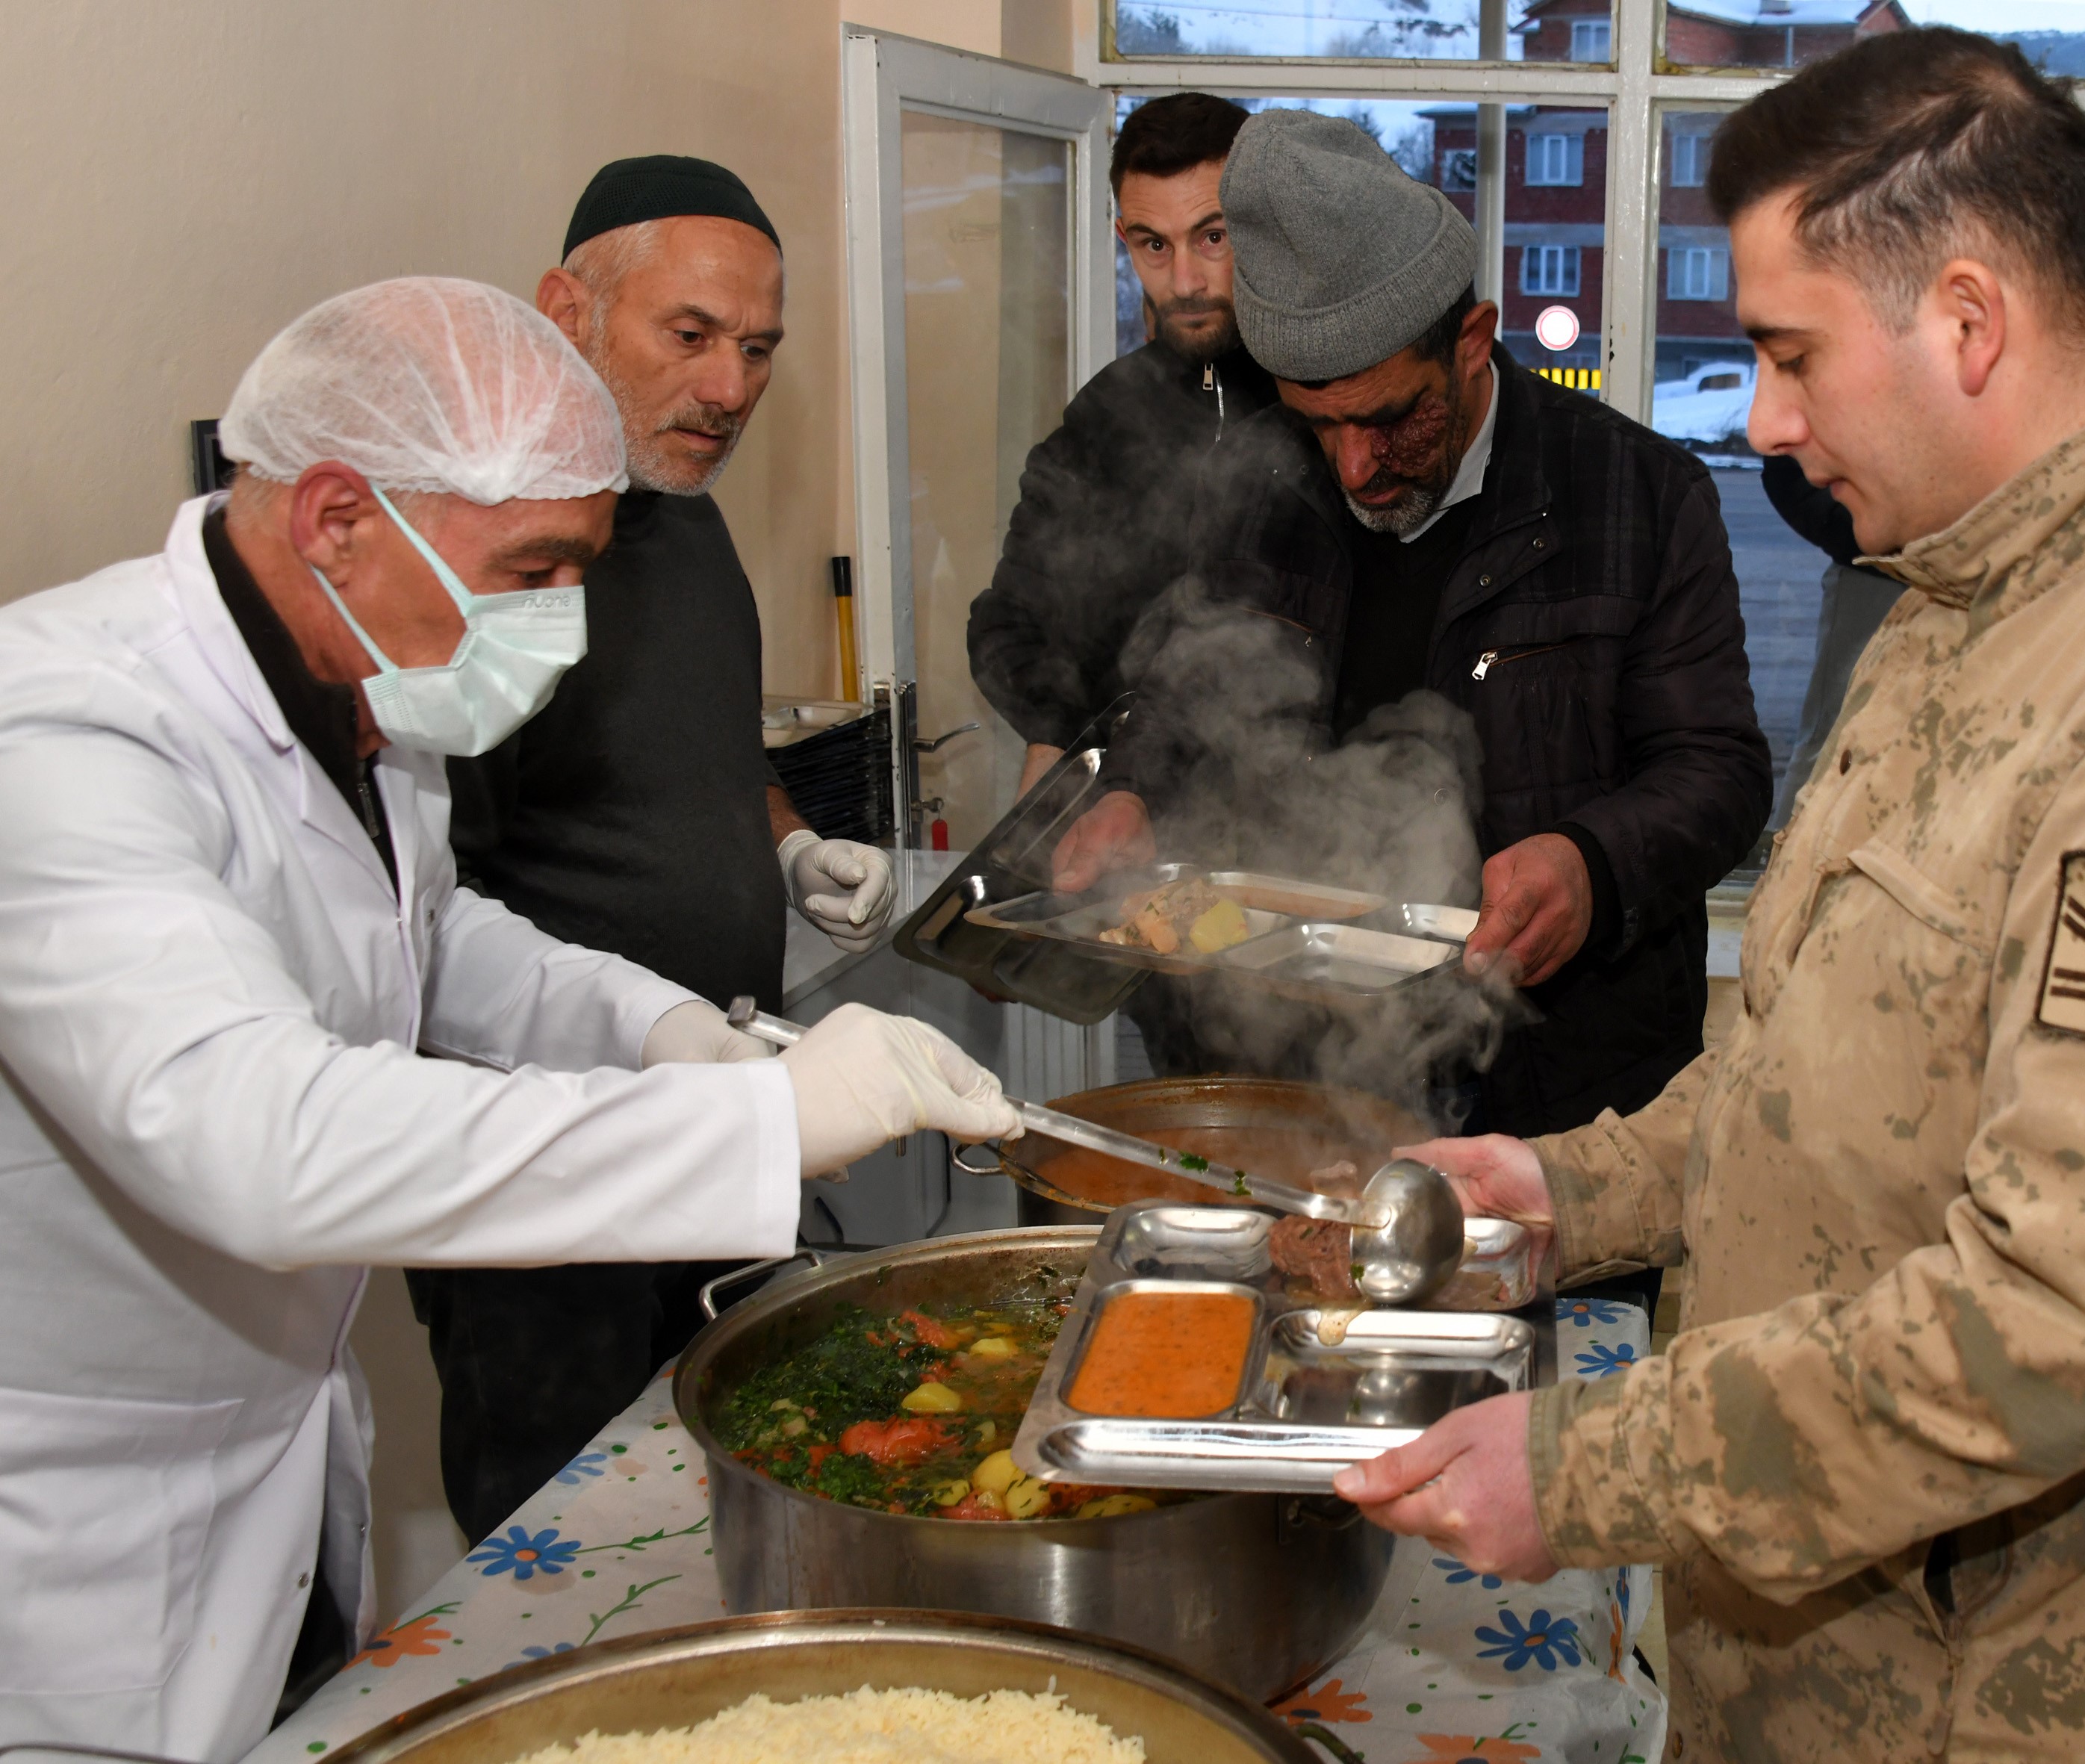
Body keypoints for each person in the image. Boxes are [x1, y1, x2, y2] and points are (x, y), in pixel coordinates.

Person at [1334, 32, 2085, 1760]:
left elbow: (2054, 1322)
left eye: (1788, 353)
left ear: (1964, 319)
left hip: (2035, 1697)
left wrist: (1588, 1466)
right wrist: (1573, 1189)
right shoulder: (1966, 595)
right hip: (1837, 1649)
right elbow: (1838, 1063)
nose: (1766, 420)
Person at [0, 278, 1018, 1760]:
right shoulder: (61, 734)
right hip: (78, 1529)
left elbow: (435, 943)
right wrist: (755, 1121)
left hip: (276, 1464)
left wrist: (672, 1030)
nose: (561, 619)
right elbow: (258, 1137)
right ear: (339, 517)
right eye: (534, 567)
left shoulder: (365, 691)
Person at [1051, 108, 1772, 1140]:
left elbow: (1718, 771)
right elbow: (1181, 696)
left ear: (1470, 344)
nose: (1352, 467)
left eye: (1390, 418)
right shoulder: (1250, 480)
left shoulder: (1637, 495)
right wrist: (1132, 791)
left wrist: (1590, 862)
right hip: (1285, 1064)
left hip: (1553, 1097)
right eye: (1317, 422)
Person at [415, 158, 892, 1547]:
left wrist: (794, 844)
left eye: (756, 349)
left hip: (720, 1136)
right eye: (689, 337)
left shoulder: (680, 510)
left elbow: (704, 750)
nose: (731, 387)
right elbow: (426, 912)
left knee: (750, 1501)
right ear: (567, 310)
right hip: (550, 1182)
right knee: (565, 1549)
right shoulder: (491, 554)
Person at [967, 94, 1278, 799]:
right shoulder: (1108, 413)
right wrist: (1053, 746)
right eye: (1153, 244)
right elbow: (1015, 617)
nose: (1185, 282)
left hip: (1328, 822)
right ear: (1122, 237)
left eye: (1213, 237)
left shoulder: (1328, 398)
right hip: (1133, 821)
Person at [1758, 453, 1900, 828]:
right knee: (1833, 731)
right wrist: (1862, 532)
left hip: (1977, 560)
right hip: (1877, 574)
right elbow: (1787, 467)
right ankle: (1787, 868)